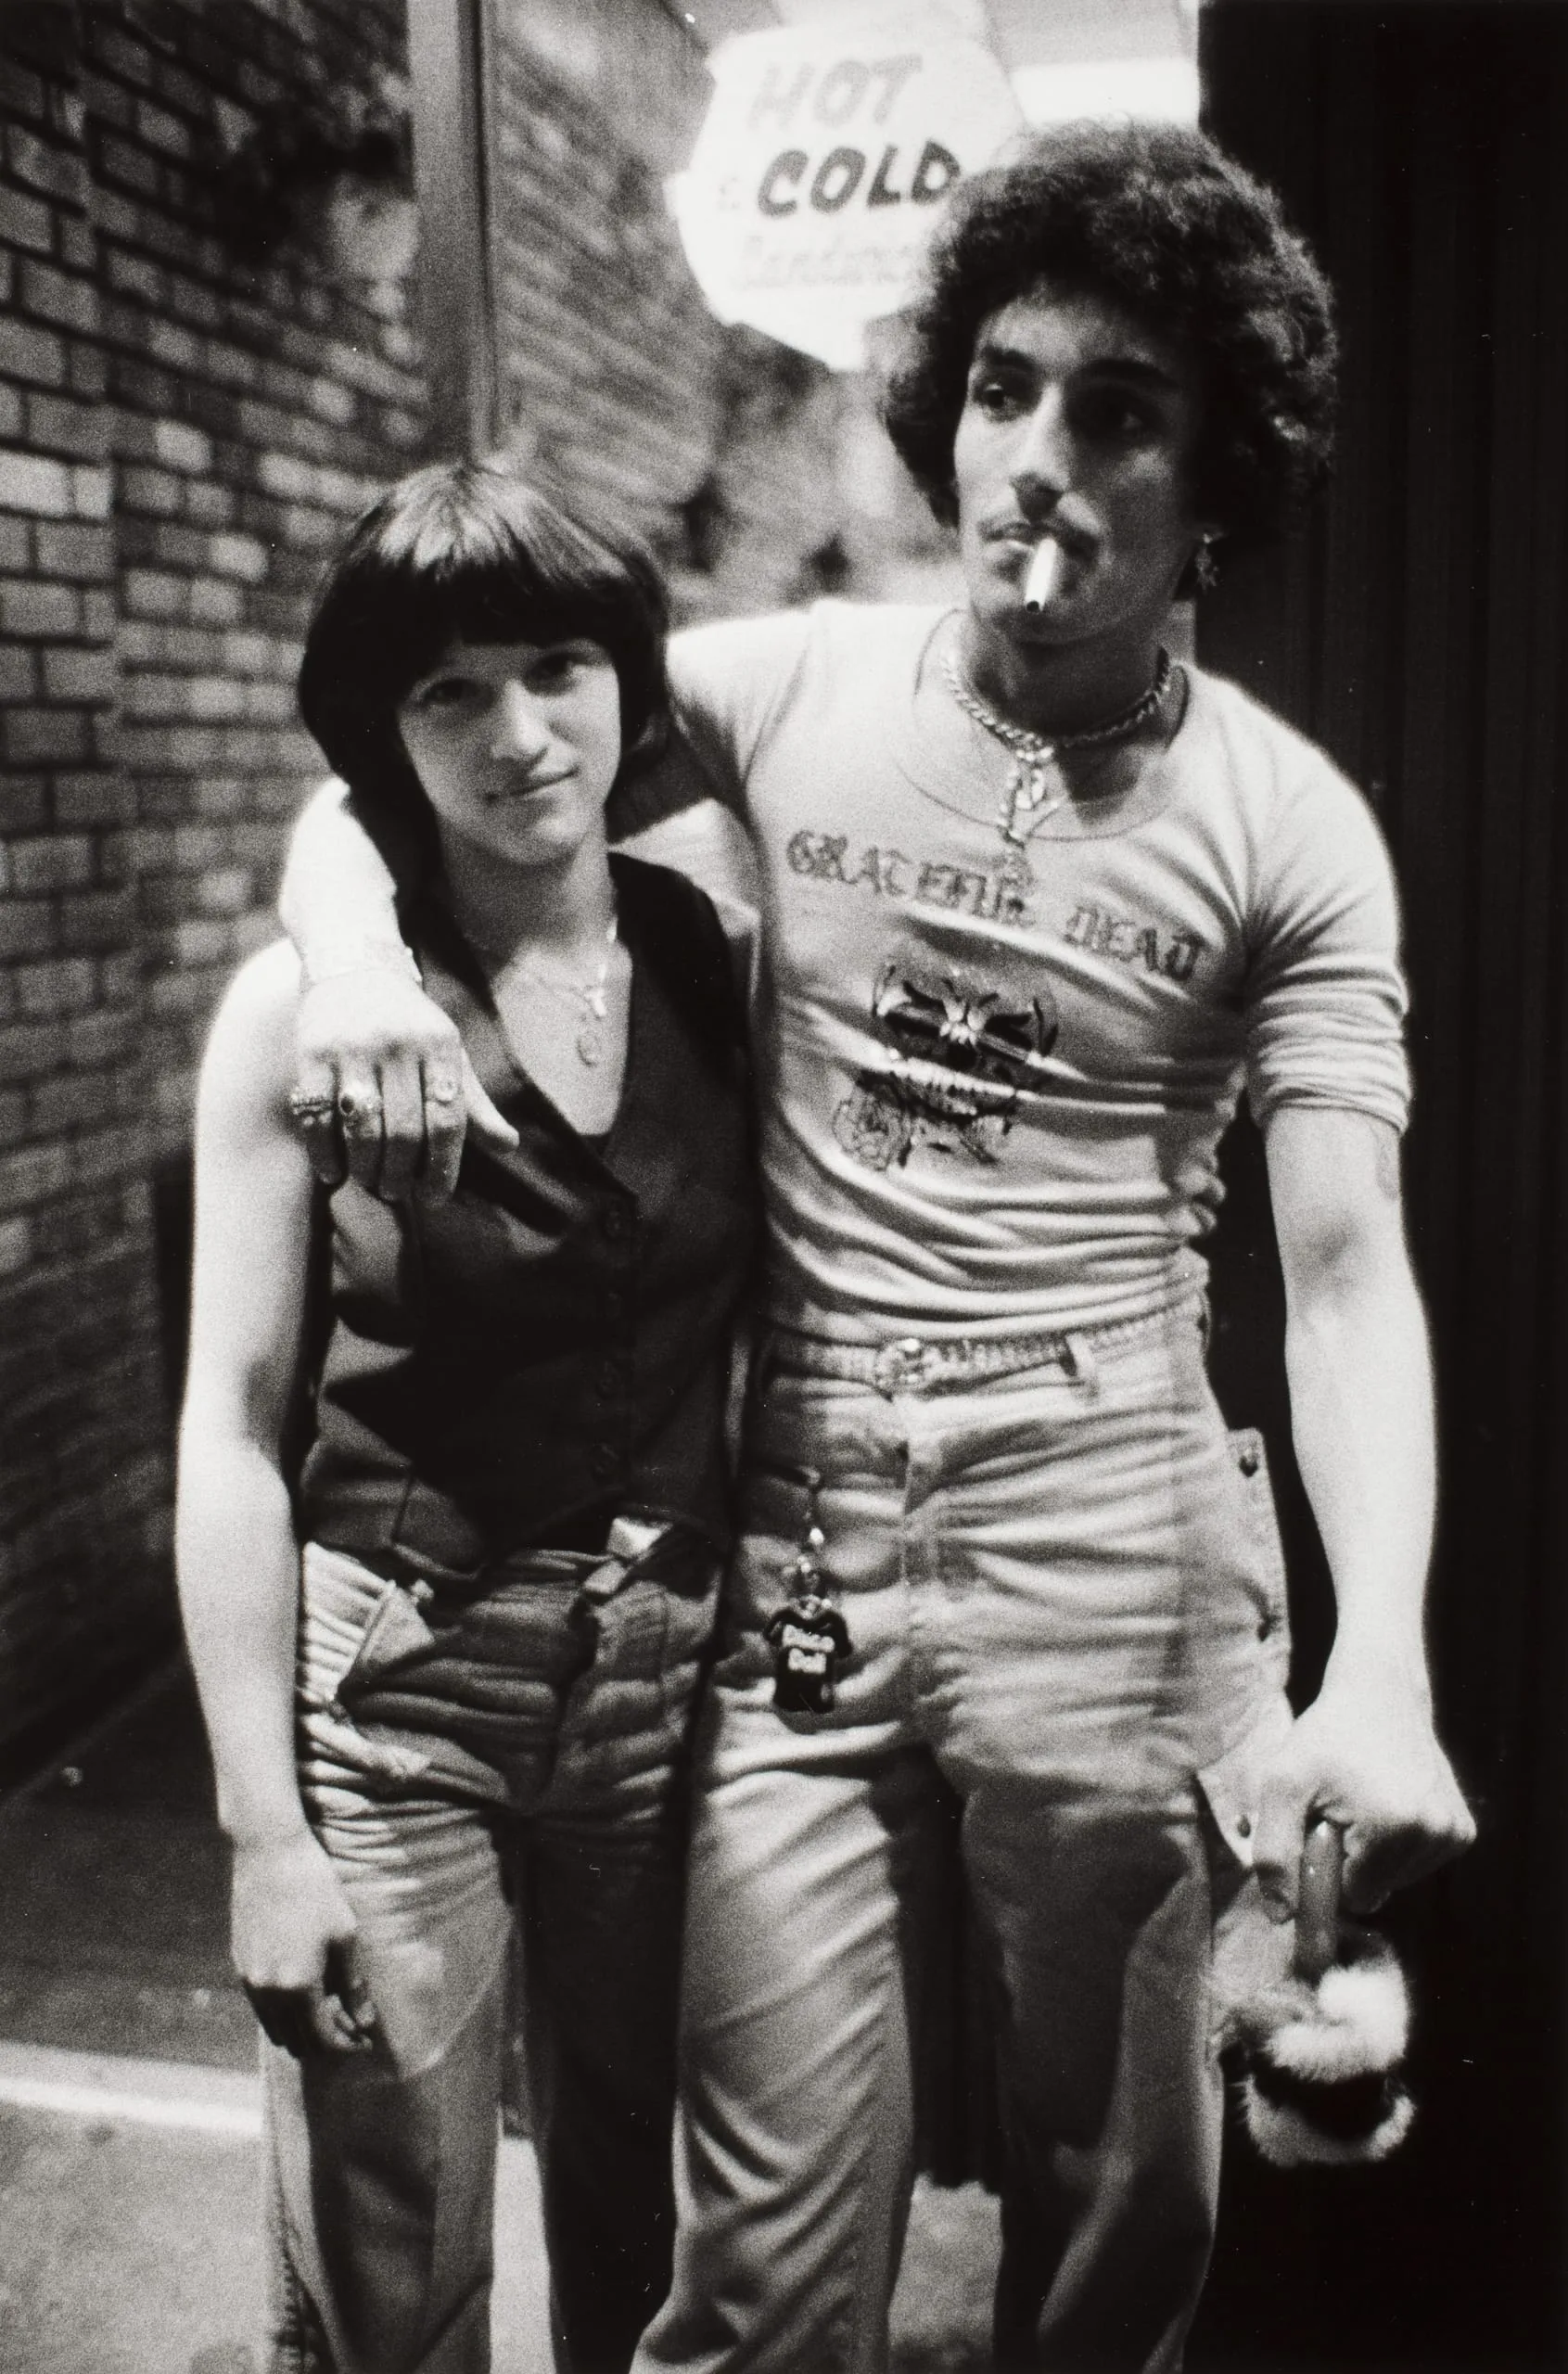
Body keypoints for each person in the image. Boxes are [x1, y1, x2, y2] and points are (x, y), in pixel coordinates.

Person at [275, 123, 1475, 2374]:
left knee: (1119, 2223)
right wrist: (348, 965)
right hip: (802, 1540)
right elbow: (409, 762)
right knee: (752, 2267)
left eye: (1114, 409)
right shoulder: (788, 689)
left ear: (1217, 469)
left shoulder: (1285, 823)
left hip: (1114, 1535)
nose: (1035, 455)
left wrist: (1381, 1659)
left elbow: (1341, 1279)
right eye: (1001, 388)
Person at [175, 460, 757, 2374]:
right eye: (448, 692)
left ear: (626, 681)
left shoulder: (716, 963)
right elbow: (230, 1435)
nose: (517, 735)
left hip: (660, 1682)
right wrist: (262, 1829)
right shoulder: (302, 1011)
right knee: (393, 2238)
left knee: (637, 2216)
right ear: (385, 733)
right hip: (400, 1682)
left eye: (555, 668)